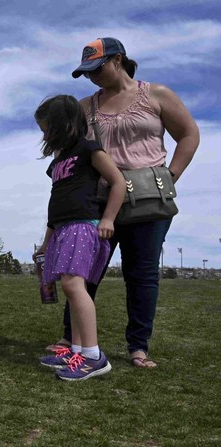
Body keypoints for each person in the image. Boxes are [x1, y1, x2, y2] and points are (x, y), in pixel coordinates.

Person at [49, 37, 201, 368]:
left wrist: (170, 177)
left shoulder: (157, 95)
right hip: (97, 201)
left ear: (118, 60)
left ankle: (138, 346)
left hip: (149, 201)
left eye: (97, 68)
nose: (92, 77)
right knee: (83, 271)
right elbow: (66, 148)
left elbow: (189, 134)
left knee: (142, 274)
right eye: (86, 72)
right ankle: (71, 338)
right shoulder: (84, 107)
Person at [33, 94, 126, 380]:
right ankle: (76, 350)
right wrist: (46, 242)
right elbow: (56, 204)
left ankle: (93, 356)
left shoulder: (89, 149)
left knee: (74, 286)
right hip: (61, 229)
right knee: (71, 288)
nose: (45, 136)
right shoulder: (58, 161)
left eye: (48, 129)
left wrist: (108, 218)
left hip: (82, 226)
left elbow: (118, 182)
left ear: (66, 123)